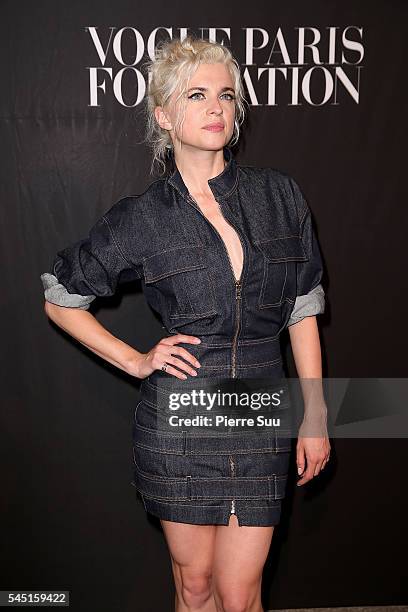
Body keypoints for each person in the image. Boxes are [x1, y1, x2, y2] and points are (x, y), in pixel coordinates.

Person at [41, 35, 330, 612]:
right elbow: (61, 296)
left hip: (261, 413)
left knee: (241, 590)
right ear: (165, 114)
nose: (216, 107)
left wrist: (316, 415)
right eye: (196, 95)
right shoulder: (144, 216)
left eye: (226, 95)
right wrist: (137, 359)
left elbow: (302, 309)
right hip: (181, 417)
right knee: (194, 585)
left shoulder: (280, 195)